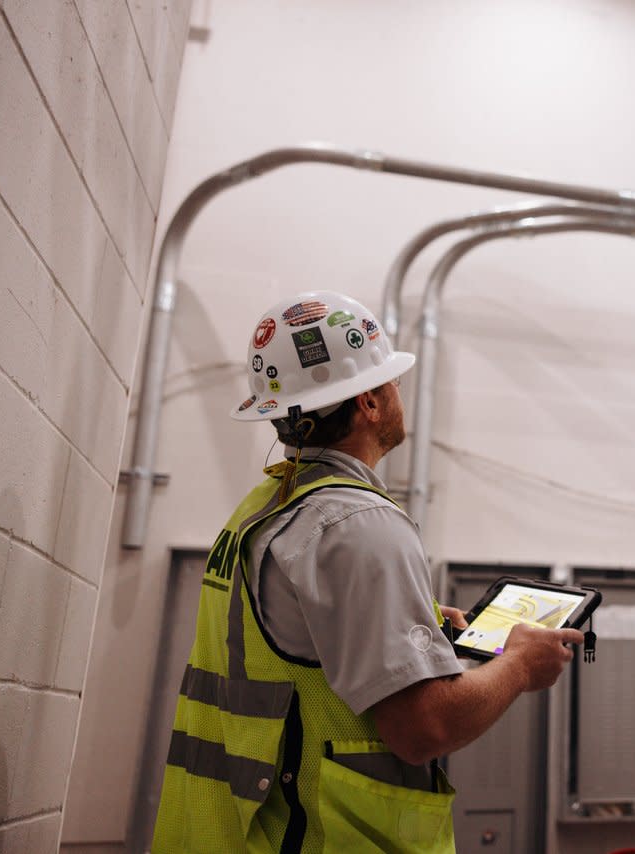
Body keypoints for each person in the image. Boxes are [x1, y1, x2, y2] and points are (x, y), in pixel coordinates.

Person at [152, 291, 582, 853]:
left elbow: (290, 652)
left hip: (226, 832)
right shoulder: (357, 522)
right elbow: (422, 728)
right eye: (391, 381)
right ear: (371, 404)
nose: (398, 392)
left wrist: (412, 626)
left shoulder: (267, 505)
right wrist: (523, 665)